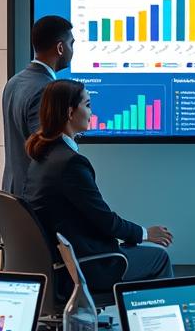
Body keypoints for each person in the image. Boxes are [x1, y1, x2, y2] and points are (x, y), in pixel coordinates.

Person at [22, 79, 174, 290]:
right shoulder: (70, 163)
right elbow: (105, 221)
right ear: (69, 112)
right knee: (158, 258)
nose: (91, 113)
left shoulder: (42, 155)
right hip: (83, 266)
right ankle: (153, 322)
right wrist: (146, 234)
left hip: (58, 262)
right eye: (87, 105)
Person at [2, 15, 74, 197]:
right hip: (35, 196)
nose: (73, 51)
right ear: (60, 48)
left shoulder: (15, 81)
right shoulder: (45, 90)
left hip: (14, 189)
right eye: (71, 44)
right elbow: (48, 153)